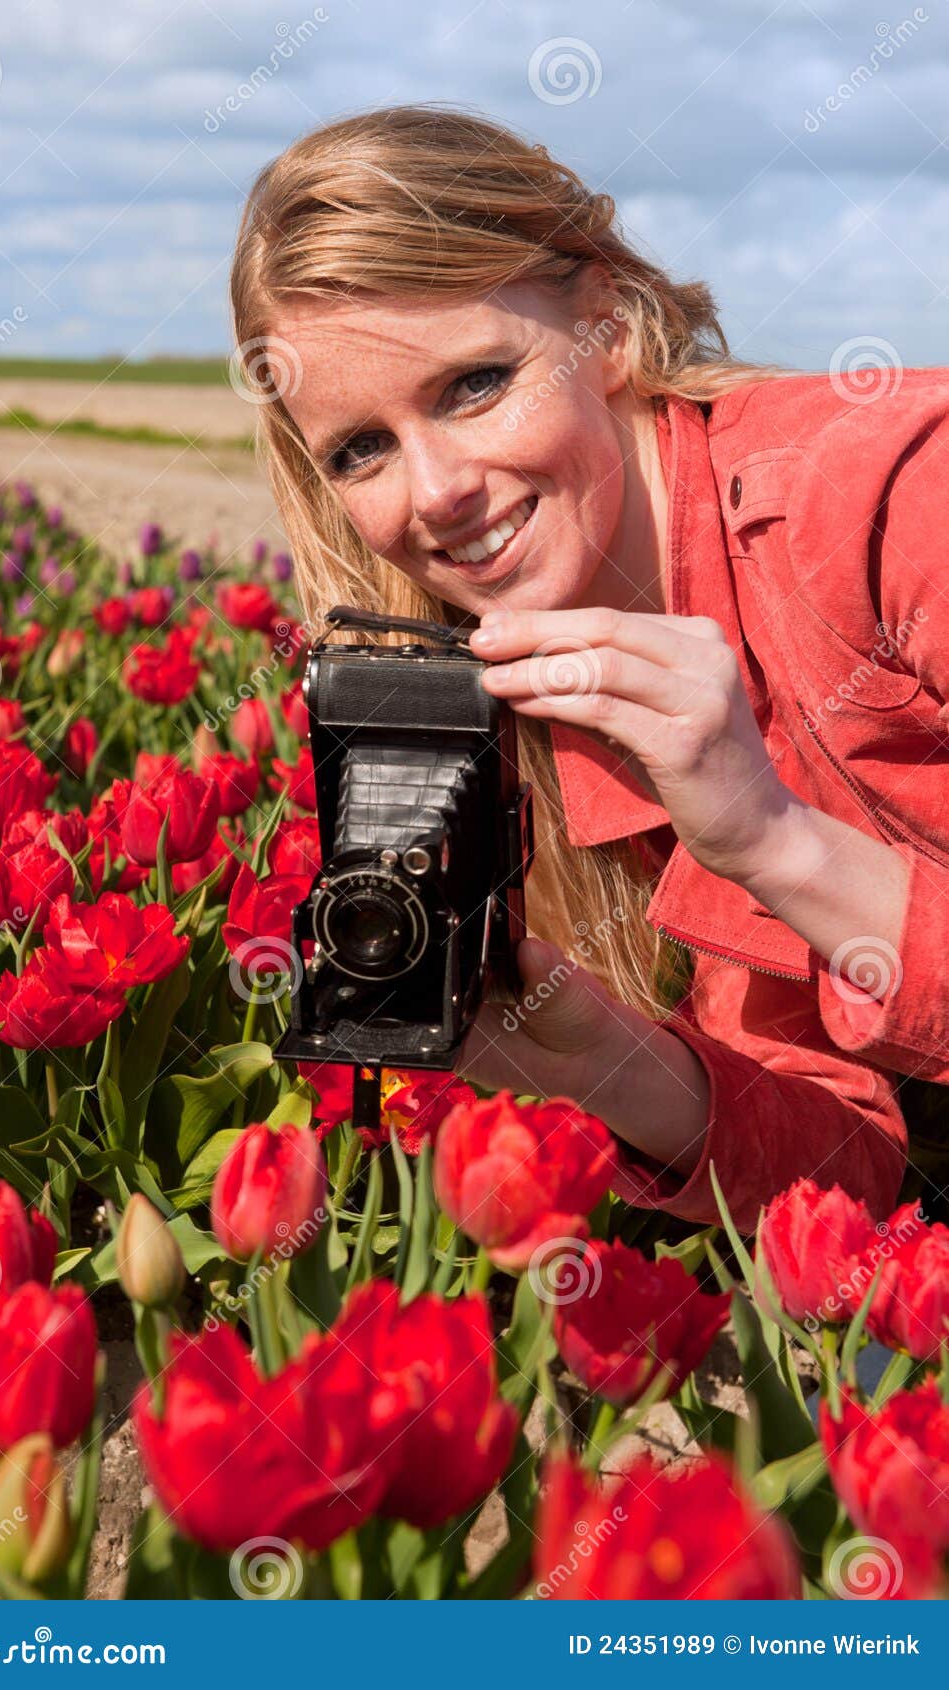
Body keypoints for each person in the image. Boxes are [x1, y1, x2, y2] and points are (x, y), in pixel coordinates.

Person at [228, 102, 949, 1233]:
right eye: (360, 449)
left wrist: (772, 840)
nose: (432, 493)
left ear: (607, 327)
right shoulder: (545, 704)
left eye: (471, 385)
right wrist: (600, 1065)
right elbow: (850, 1170)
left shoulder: (895, 502)